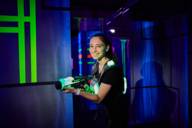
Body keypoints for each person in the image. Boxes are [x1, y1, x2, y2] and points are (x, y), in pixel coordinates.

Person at [64, 32, 128, 128]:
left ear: (107, 48)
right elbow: (93, 87)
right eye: (91, 46)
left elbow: (98, 98)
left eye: (98, 46)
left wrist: (76, 91)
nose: (93, 50)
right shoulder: (95, 66)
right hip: (103, 113)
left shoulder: (112, 69)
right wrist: (79, 83)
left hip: (114, 116)